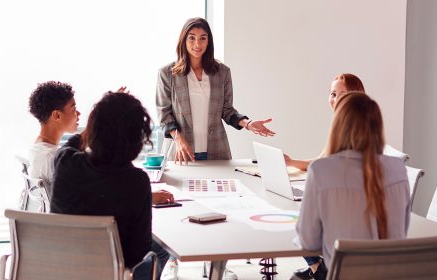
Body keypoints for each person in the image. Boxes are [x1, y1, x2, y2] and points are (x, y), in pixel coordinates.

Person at [50, 92, 169, 279]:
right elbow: (138, 253)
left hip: (62, 270)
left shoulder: (65, 161)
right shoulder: (136, 181)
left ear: (92, 130)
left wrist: (100, 119)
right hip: (111, 273)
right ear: (138, 138)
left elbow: (71, 145)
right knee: (159, 253)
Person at [296, 93, 410, 280]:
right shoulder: (398, 168)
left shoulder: (321, 170)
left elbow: (308, 241)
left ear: (338, 126)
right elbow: (401, 232)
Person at [156, 17, 275, 165]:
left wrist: (248, 123)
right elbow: (164, 114)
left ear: (209, 41)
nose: (197, 44)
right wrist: (178, 139)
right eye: (191, 38)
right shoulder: (167, 73)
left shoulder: (222, 72)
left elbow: (227, 110)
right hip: (181, 152)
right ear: (183, 40)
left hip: (216, 150)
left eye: (202, 38)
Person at [285, 73, 365, 172]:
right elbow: (321, 161)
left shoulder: (359, 127)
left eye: (343, 95)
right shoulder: (339, 124)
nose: (336, 99)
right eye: (333, 94)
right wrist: (291, 162)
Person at [28, 81, 80, 190]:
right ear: (57, 115)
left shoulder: (39, 149)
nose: (78, 114)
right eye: (73, 109)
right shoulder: (52, 158)